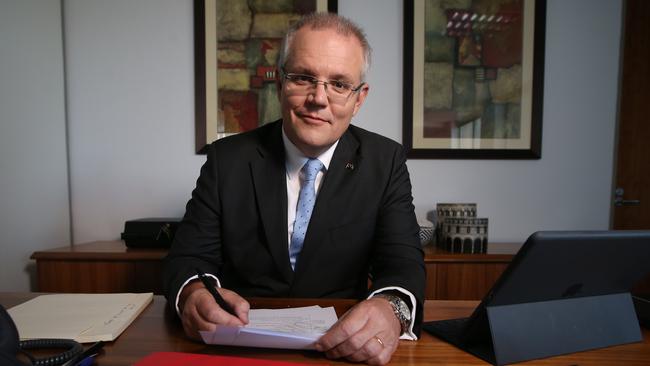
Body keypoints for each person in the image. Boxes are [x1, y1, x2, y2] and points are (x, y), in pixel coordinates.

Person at [163, 12, 425, 365]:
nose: (319, 98)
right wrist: (193, 294)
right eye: (304, 78)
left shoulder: (385, 161)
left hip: (341, 349)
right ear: (279, 84)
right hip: (238, 346)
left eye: (339, 84)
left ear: (359, 99)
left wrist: (391, 310)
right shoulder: (227, 159)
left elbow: (403, 264)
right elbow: (188, 258)